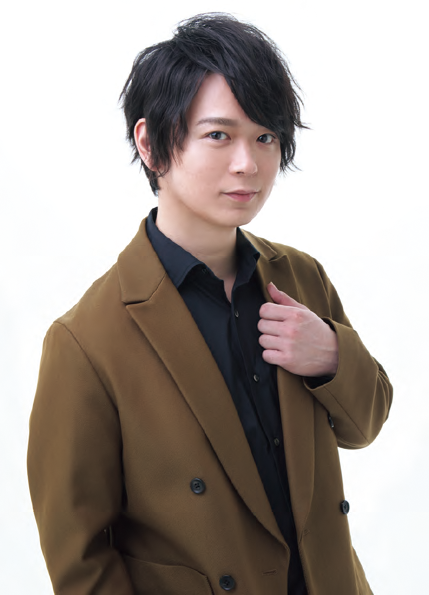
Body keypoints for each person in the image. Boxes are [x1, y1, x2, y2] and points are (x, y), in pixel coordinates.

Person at [27, 13, 393, 595]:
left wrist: (330, 356)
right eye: (219, 135)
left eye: (265, 137)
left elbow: (365, 424)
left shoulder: (300, 277)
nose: (248, 164)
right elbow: (81, 560)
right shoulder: (86, 340)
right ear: (150, 143)